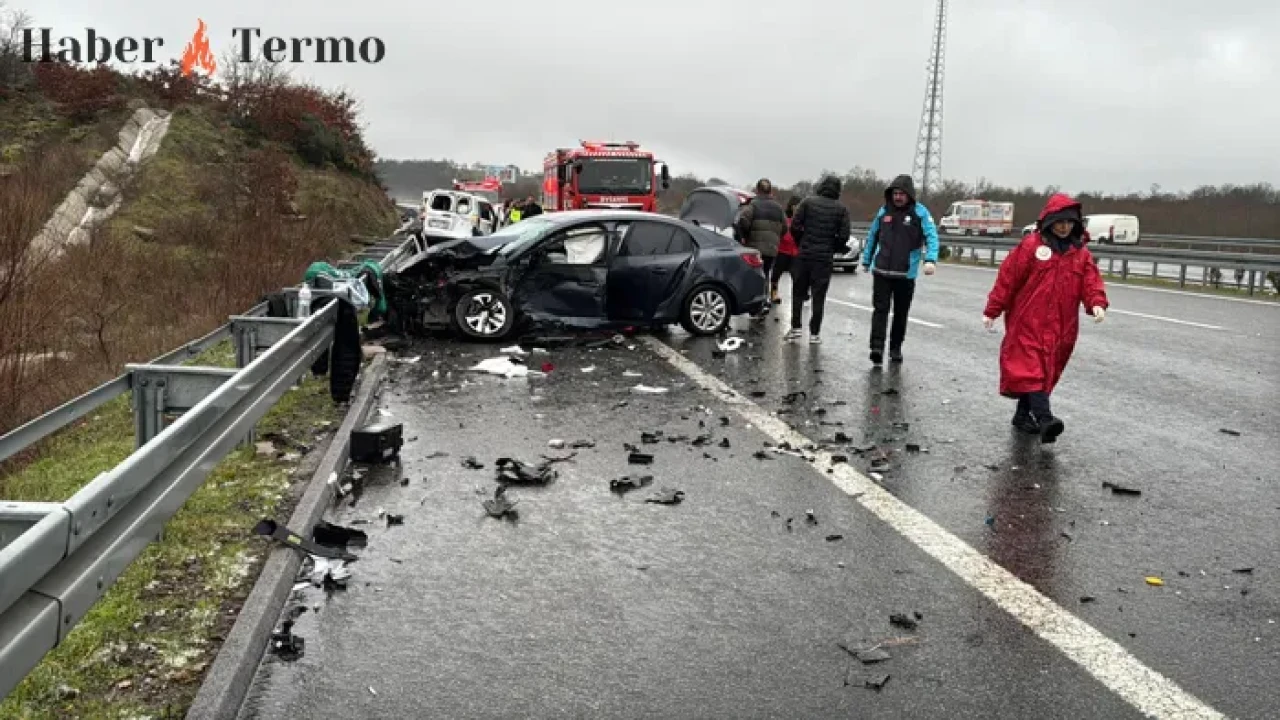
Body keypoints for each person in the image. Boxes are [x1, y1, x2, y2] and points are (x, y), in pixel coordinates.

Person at [982, 193, 1108, 443]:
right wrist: (993, 309)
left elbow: (1091, 281)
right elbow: (1008, 278)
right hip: (1028, 321)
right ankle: (1045, 419)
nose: (1064, 227)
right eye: (1060, 222)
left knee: (1046, 371)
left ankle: (1022, 416)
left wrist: (1096, 303)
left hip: (1062, 326)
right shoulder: (1031, 246)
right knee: (1032, 370)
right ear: (1049, 222)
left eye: (1069, 222)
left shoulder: (1080, 254)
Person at [861, 175, 939, 365]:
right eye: (895, 193)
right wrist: (867, 259)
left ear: (909, 195)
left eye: (901, 194)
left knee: (900, 313)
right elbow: (873, 235)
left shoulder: (920, 213)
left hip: (905, 274)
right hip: (881, 271)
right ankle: (876, 347)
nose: (897, 197)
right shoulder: (884, 211)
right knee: (880, 310)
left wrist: (931, 259)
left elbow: (932, 237)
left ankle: (895, 348)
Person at [787, 175, 851, 343]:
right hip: (824, 258)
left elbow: (794, 226)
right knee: (819, 296)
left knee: (798, 292)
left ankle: (796, 328)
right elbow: (844, 235)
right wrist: (832, 247)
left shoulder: (807, 202)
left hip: (805, 254)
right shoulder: (841, 209)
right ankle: (814, 333)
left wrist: (801, 242)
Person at [734, 179, 786, 318]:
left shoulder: (753, 205)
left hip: (754, 248)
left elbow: (743, 221)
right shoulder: (779, 208)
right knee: (766, 273)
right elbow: (785, 228)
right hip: (772, 248)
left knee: (754, 275)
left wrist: (744, 237)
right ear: (770, 191)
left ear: (757, 190)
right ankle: (764, 301)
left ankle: (756, 304)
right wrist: (775, 238)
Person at [770, 195, 801, 305]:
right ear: (791, 206)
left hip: (795, 252)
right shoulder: (784, 218)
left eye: (799, 206)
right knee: (776, 274)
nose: (797, 209)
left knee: (797, 276)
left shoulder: (802, 220)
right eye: (795, 206)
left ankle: (798, 296)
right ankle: (773, 294)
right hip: (782, 250)